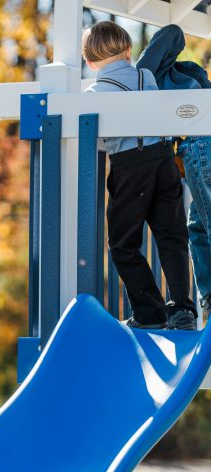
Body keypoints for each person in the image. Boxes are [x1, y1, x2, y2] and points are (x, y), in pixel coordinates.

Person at [83, 21, 197, 329]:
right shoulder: (146, 75)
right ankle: (182, 310)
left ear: (90, 62)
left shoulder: (94, 94)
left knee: (123, 244)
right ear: (129, 50)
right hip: (163, 161)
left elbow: (93, 141)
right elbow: (172, 33)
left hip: (130, 167)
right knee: (172, 236)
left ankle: (150, 312)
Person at [137, 23, 211, 321]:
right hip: (196, 146)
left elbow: (172, 33)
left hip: (201, 144)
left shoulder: (148, 76)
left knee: (206, 225)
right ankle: (208, 297)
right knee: (197, 228)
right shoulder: (181, 78)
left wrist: (142, 69)